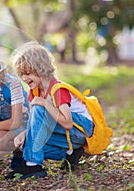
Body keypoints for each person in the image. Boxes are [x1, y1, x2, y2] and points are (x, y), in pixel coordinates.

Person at [6, 41, 94, 179]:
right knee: (26, 143)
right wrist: (25, 133)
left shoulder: (57, 89)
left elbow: (67, 123)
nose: (24, 78)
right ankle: (69, 154)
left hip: (81, 129)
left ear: (41, 68)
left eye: (28, 73)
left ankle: (32, 166)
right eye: (21, 74)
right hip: (68, 136)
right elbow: (35, 124)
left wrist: (45, 104)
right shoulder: (35, 91)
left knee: (39, 109)